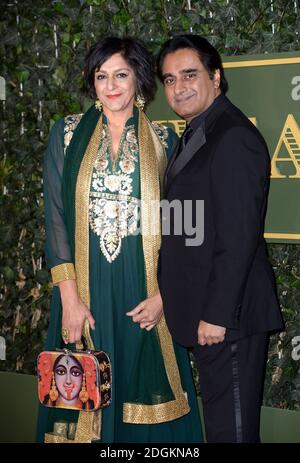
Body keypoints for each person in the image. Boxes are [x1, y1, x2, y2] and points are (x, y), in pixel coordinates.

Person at [37, 36, 202, 443]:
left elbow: (182, 227)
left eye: (121, 75)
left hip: (144, 293)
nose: (111, 86)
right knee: (81, 394)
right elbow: (56, 218)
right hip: (85, 295)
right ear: (92, 83)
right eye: (101, 76)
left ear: (139, 80)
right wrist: (69, 300)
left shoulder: (165, 141)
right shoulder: (66, 135)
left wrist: (167, 295)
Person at [156, 34, 284, 443]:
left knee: (233, 433)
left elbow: (239, 235)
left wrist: (216, 314)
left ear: (216, 76)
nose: (179, 87)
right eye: (170, 79)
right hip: (205, 315)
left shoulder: (233, 137)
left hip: (229, 318)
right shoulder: (195, 133)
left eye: (190, 75)